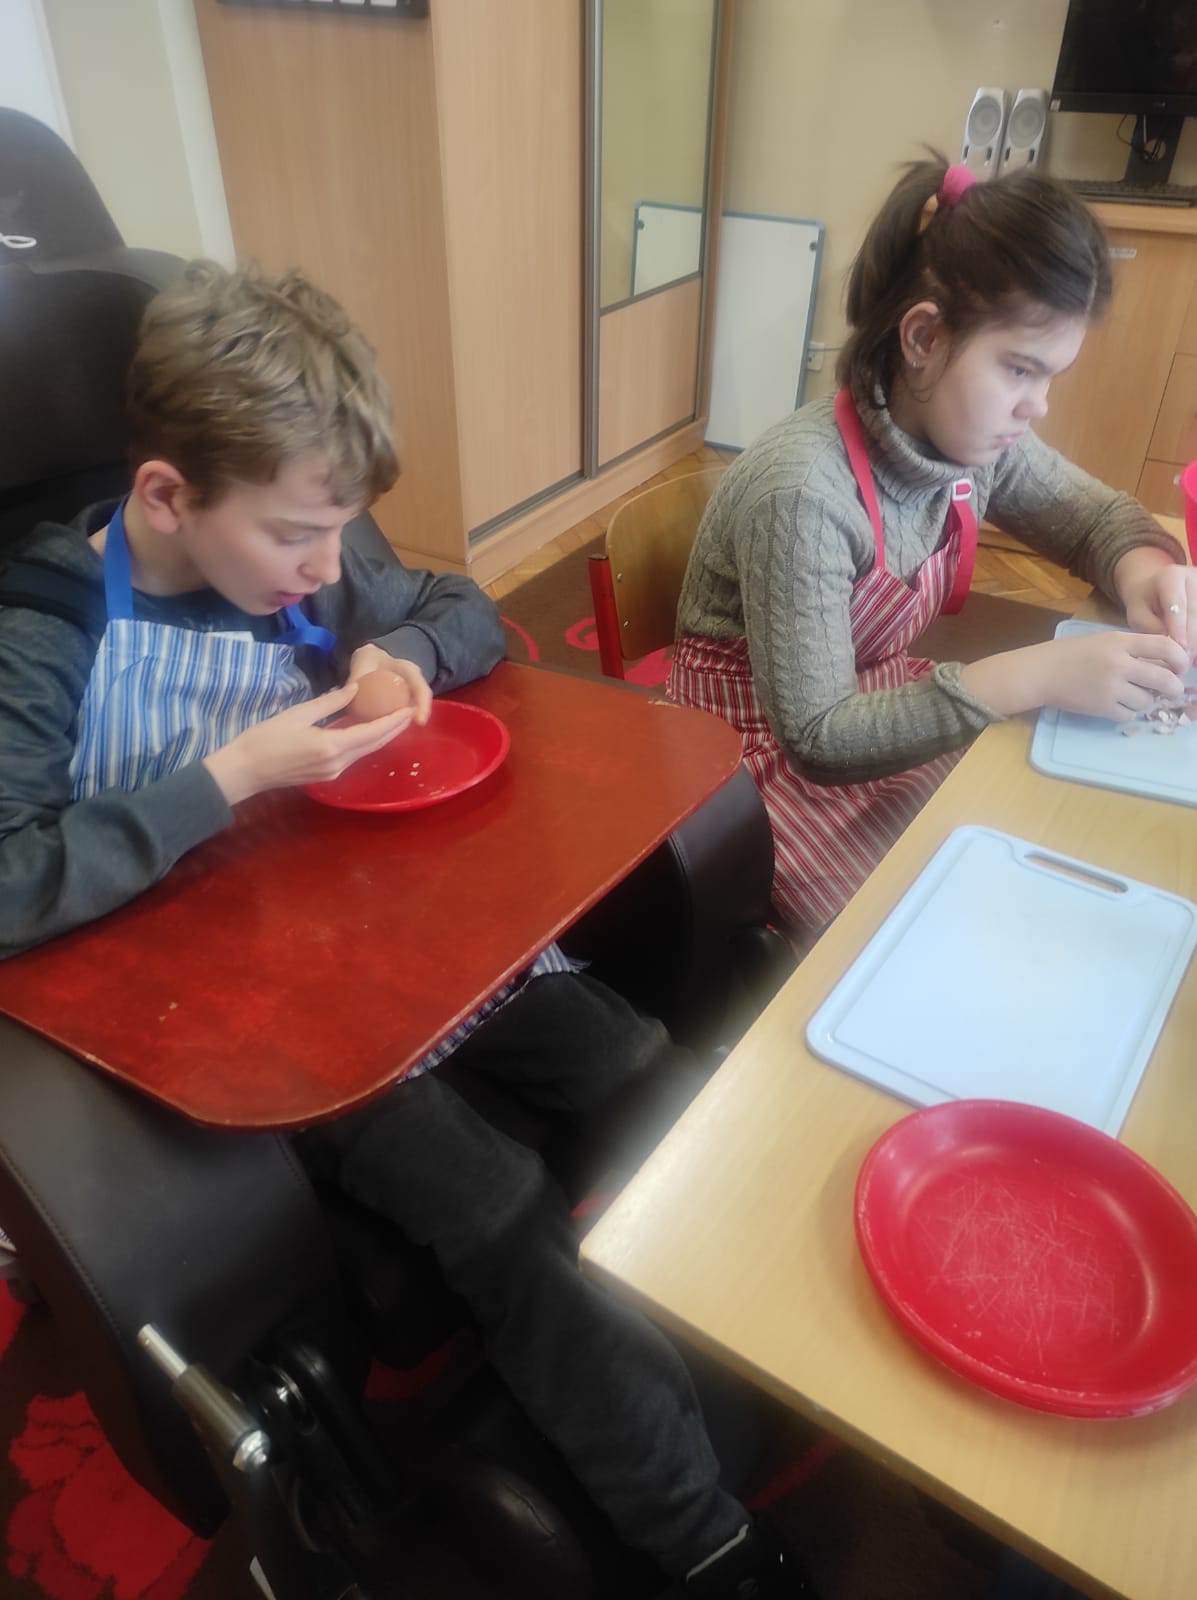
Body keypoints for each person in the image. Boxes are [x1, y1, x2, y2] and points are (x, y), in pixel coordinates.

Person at [0, 262, 812, 1597]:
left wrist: (401, 658)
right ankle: (704, 1542)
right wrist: (230, 779)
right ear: (166, 495)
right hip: (247, 1020)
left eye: (342, 533)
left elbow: (463, 611)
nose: (331, 568)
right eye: (298, 538)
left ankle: (760, 1351)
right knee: (496, 1205)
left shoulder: (302, 558)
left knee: (641, 1067)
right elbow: (10, 875)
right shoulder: (49, 627)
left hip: (386, 930)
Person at [670, 158, 1195, 941]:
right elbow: (817, 741)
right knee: (933, 922)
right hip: (752, 761)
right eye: (1019, 369)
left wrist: (1144, 571)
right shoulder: (804, 493)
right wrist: (1032, 673)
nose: (1036, 406)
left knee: (1031, 828)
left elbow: (1095, 521)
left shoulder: (970, 444)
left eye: (1051, 377)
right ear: (921, 337)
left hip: (864, 699)